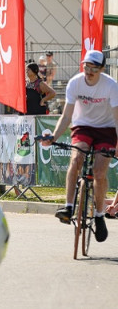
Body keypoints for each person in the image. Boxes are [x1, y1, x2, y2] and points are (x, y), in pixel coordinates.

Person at [42, 50, 118, 242]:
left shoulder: (111, 86)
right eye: (86, 66)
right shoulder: (75, 82)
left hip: (106, 129)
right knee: (76, 158)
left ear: (101, 69)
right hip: (83, 126)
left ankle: (100, 216)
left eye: (93, 68)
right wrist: (53, 136)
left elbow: (117, 119)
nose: (89, 71)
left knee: (100, 172)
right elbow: (66, 116)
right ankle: (68, 207)